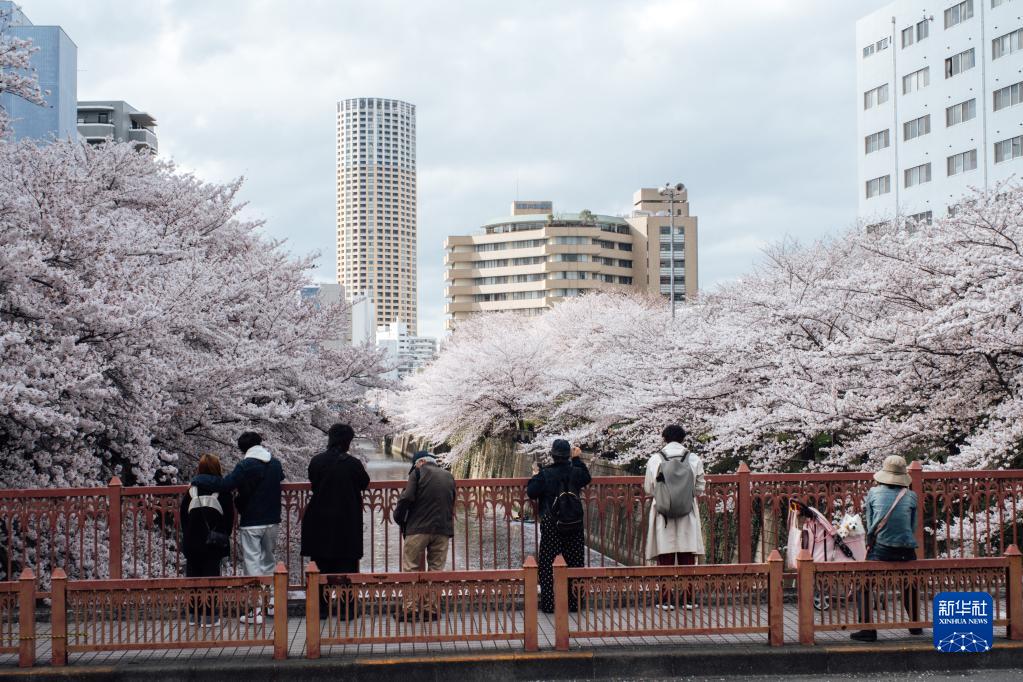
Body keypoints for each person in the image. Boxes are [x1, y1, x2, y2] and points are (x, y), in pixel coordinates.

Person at [209, 431, 285, 624]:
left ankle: (255, 610)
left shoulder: (245, 465)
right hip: (272, 519)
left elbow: (226, 484)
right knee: (269, 560)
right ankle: (272, 603)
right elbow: (280, 479)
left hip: (251, 521)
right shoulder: (275, 463)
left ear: (243, 449)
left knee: (252, 563)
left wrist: (203, 480)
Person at [300, 423, 370, 618]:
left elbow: (314, 482)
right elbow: (364, 483)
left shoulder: (316, 461)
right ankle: (347, 611)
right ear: (347, 442)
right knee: (347, 567)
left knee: (319, 567)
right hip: (347, 522)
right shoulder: (353, 464)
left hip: (319, 521)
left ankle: (320, 611)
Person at [851, 455, 921, 642]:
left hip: (882, 548)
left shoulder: (874, 493)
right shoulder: (911, 496)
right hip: (907, 549)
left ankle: (867, 629)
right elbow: (913, 527)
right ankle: (915, 625)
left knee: (863, 583)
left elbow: (871, 521)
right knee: (910, 583)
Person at [644, 424, 705, 609]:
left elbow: (649, 488)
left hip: (663, 512)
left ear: (664, 438)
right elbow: (700, 488)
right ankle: (688, 599)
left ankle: (666, 600)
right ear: (683, 438)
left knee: (666, 555)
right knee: (687, 555)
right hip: (687, 511)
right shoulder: (693, 458)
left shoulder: (655, 459)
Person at [527, 439, 591, 614]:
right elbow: (587, 477)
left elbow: (531, 492)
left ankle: (548, 604)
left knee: (547, 564)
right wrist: (577, 459)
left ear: (553, 455)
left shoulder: (545, 474)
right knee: (575, 563)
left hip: (552, 523)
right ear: (568, 455)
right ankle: (574, 604)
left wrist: (535, 474)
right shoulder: (576, 472)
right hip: (574, 523)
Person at [393, 450, 456, 620]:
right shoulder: (449, 475)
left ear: (419, 462)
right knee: (436, 570)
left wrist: (398, 518)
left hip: (418, 529)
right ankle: (432, 611)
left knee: (411, 568)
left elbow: (407, 497)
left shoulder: (417, 472)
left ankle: (410, 610)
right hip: (442, 529)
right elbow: (452, 501)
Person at [180, 454, 234, 626]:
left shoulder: (191, 491)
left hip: (192, 541)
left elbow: (183, 518)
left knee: (193, 578)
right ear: (218, 468)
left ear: (200, 469)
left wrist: (189, 534)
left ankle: (193, 615)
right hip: (213, 543)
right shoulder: (224, 492)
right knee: (212, 578)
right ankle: (210, 617)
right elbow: (229, 520)